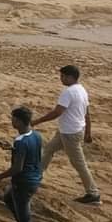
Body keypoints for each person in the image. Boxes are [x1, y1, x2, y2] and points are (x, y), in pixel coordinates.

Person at [32, 65, 100, 204]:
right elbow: (87, 114)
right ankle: (35, 177)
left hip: (70, 133)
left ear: (70, 77)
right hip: (71, 131)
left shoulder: (68, 92)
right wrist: (88, 133)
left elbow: (57, 112)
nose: (61, 79)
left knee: (79, 163)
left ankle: (93, 193)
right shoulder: (82, 90)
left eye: (62, 76)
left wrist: (37, 121)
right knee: (48, 149)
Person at [0, 106, 43, 222]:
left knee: (26, 218)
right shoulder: (36, 135)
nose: (11, 121)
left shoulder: (20, 141)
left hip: (23, 182)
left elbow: (17, 168)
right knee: (8, 198)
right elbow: (30, 154)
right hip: (34, 178)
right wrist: (11, 148)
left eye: (13, 118)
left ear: (19, 121)